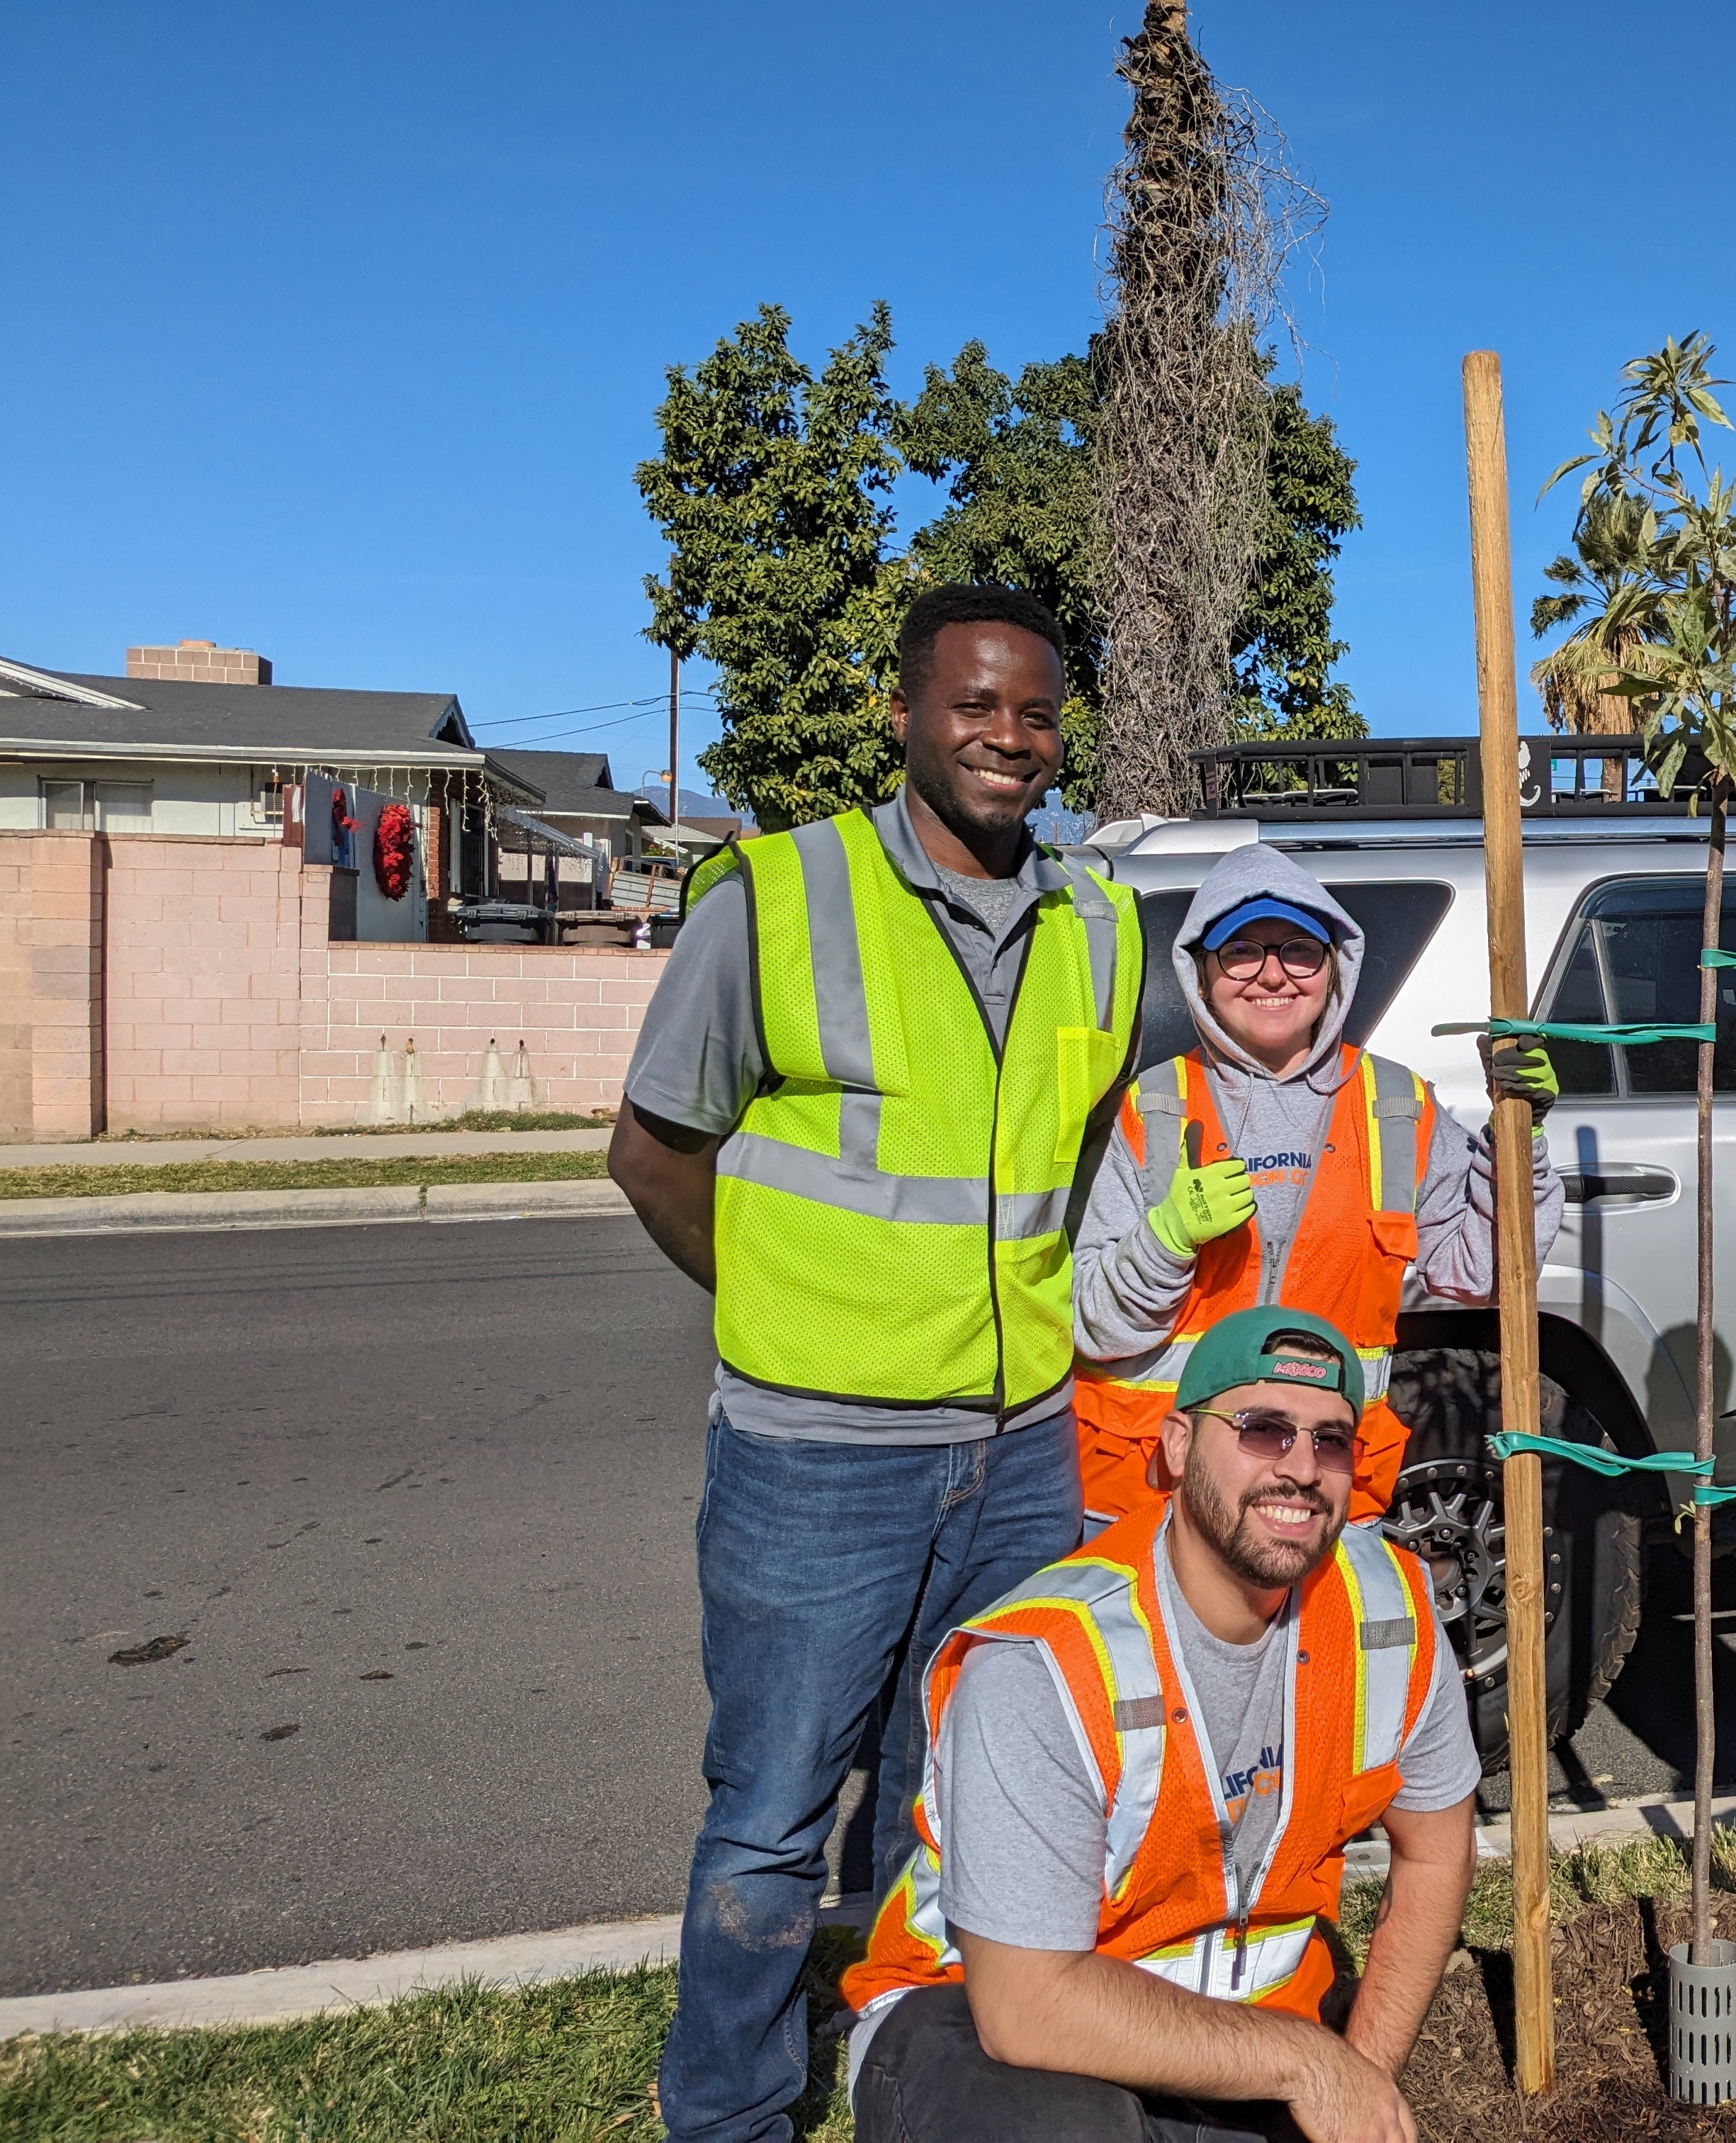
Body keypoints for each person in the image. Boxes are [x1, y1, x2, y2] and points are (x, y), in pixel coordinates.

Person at [609, 584, 1144, 2143]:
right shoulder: (775, 896)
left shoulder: (1097, 921)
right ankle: (728, 2116)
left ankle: (920, 2090)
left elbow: (1102, 1138)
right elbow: (653, 1154)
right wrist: (780, 1308)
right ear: (905, 713)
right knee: (773, 1820)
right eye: (975, 704)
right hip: (814, 1457)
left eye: (1037, 713)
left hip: (1021, 1450)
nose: (1008, 737)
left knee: (971, 1796)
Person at [841, 1305, 1482, 2143]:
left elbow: (1438, 1851)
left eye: (1331, 1441)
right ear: (1177, 1446)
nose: (1302, 1468)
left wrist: (1361, 2075)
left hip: (1233, 2053)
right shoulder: (1047, 1663)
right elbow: (1025, 2008)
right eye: (1262, 1430)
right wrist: (1309, 2063)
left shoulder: (1388, 1612)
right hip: (986, 2037)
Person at [1074, 843, 1566, 1529]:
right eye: (1241, 950)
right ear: (1202, 971)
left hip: (1314, 1495)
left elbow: (1488, 1269)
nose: (1271, 974)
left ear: (1334, 965)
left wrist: (1522, 1141)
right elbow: (1093, 1324)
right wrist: (1166, 1240)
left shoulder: (1395, 1106)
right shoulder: (1153, 1108)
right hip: (1163, 1505)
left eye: (1298, 950)